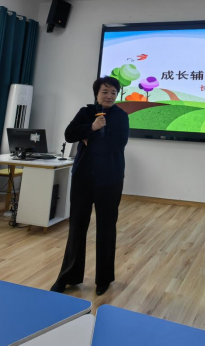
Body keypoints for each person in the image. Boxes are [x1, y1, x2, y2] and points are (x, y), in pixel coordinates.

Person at [50, 77, 129, 296]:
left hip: (110, 179)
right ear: (96, 93)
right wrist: (91, 127)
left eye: (113, 93)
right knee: (77, 226)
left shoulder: (121, 116)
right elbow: (69, 134)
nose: (109, 96)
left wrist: (87, 137)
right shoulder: (85, 112)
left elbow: (118, 143)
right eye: (105, 92)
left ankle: (104, 279)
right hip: (83, 177)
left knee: (106, 227)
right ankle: (68, 276)